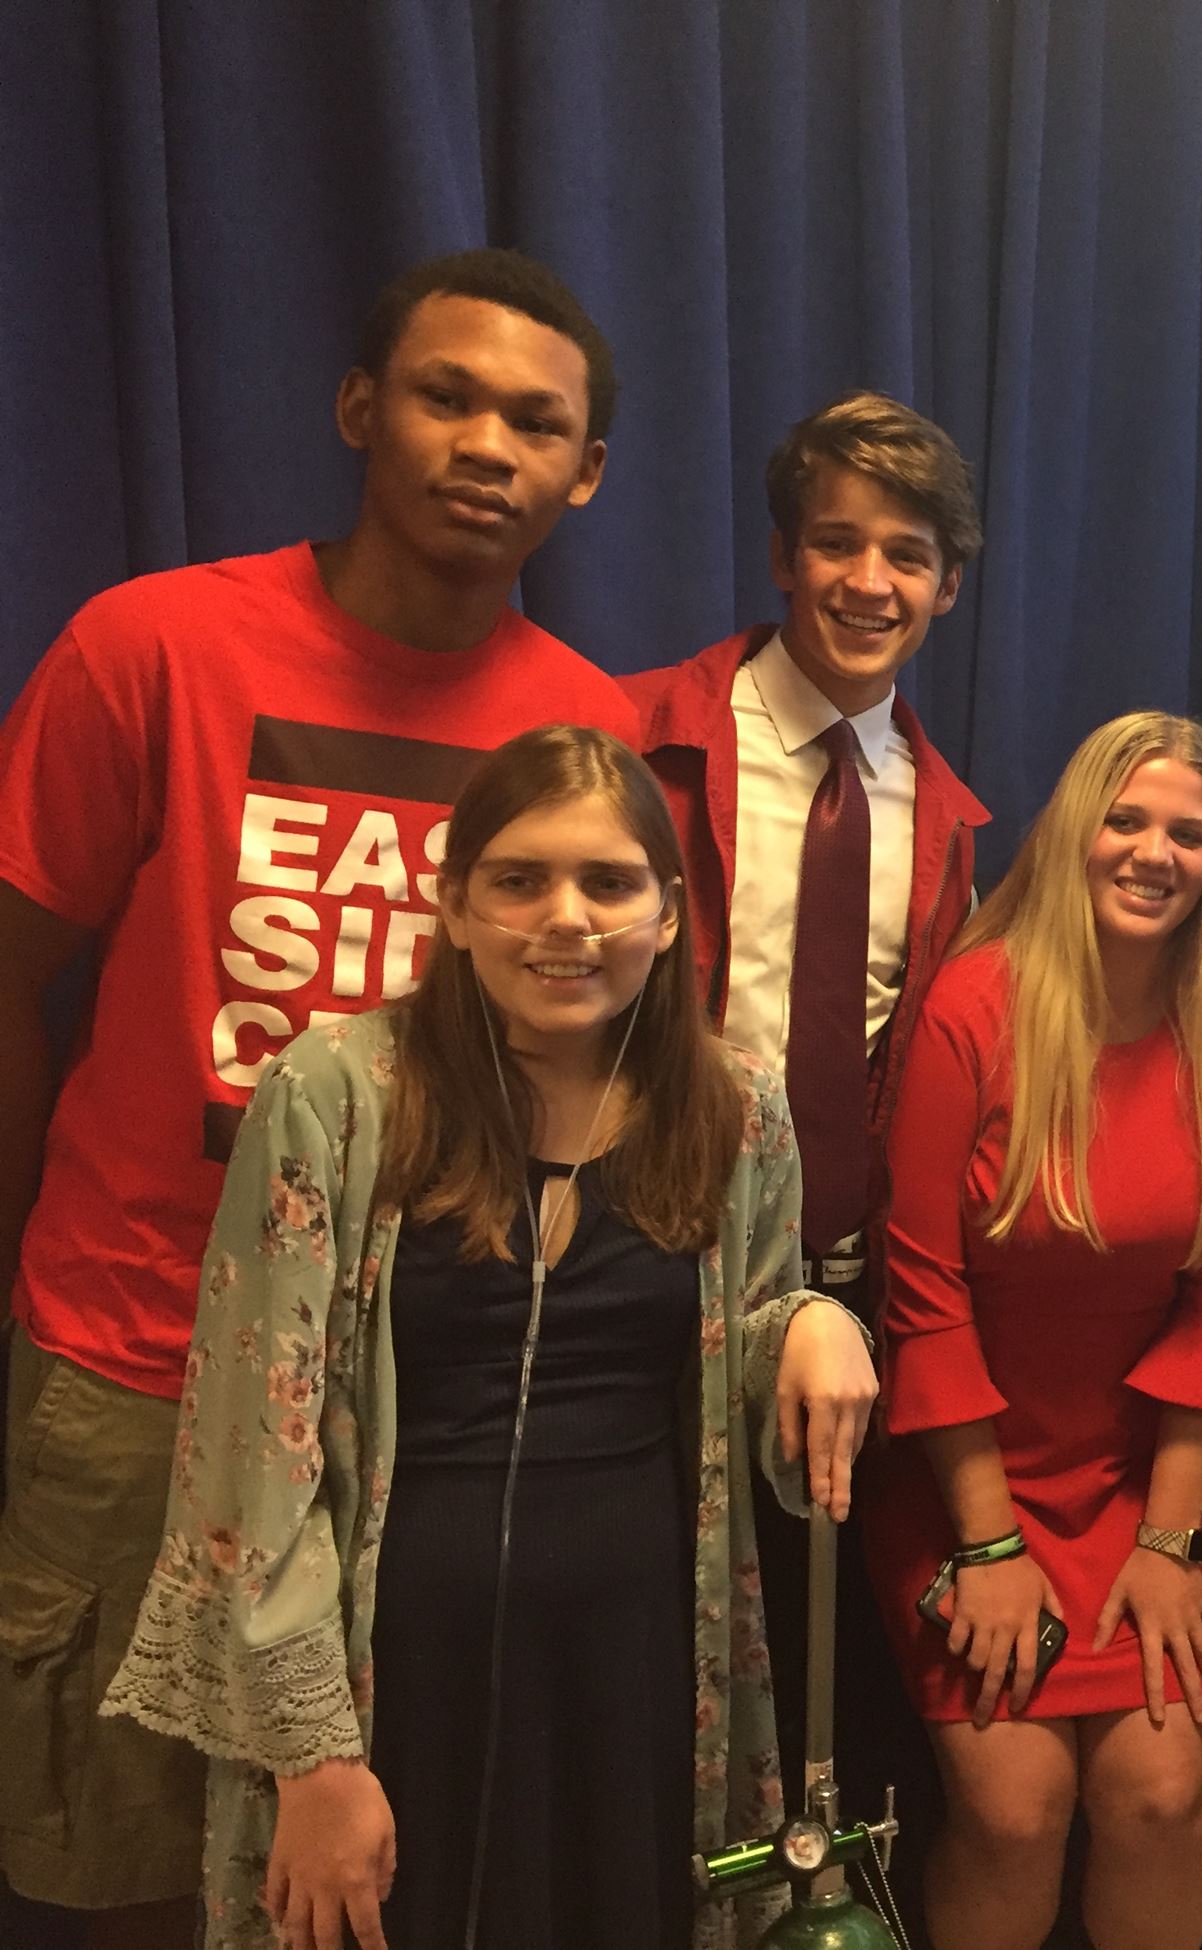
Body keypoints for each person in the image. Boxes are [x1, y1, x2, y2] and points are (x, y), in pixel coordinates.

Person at [0, 247, 638, 1943]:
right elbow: (11, 967)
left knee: (368, 1877)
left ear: (586, 473)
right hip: (137, 1360)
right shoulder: (153, 646)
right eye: (446, 396)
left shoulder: (583, 731)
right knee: (120, 1868)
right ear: (361, 408)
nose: (486, 445)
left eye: (535, 422)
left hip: (434, 1398)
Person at [97, 725, 878, 1950]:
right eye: (519, 880)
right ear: (456, 906)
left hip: (635, 1668)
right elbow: (252, 1443)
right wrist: (312, 1761)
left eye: (608, 882)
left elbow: (741, 1392)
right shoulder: (336, 1091)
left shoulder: (735, 1108)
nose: (565, 919)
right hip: (392, 1671)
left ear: (667, 913)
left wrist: (813, 1322)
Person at [626, 388, 991, 1923]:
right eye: (836, 543)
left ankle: (793, 1909)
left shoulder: (945, 812)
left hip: (839, 1292)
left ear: (948, 585)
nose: (868, 581)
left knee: (808, 1646)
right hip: (643, 1262)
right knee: (652, 1640)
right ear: (783, 557)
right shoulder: (644, 737)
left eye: (906, 554)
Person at [868, 712, 1202, 1950]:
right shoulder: (973, 1007)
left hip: (1133, 1480)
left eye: (1187, 834)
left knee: (1160, 1795)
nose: (1154, 854)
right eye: (1125, 821)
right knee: (1015, 1810)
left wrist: (1168, 1542)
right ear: (1072, 834)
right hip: (962, 1475)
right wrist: (990, 1546)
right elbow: (924, 1300)